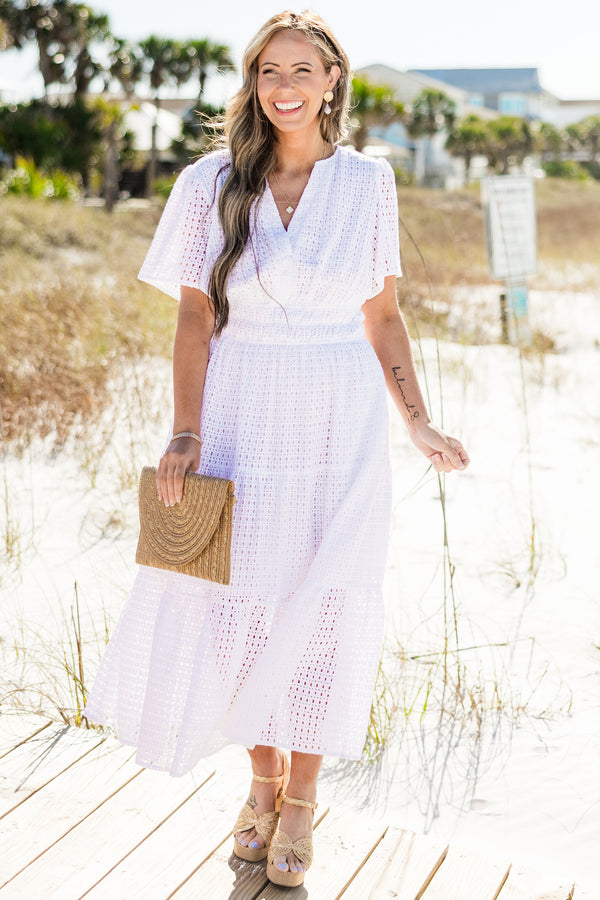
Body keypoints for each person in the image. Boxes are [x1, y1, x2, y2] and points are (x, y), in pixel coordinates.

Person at [84, 9, 469, 888]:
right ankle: (260, 780)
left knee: (325, 606)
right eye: (268, 71)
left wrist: (417, 420)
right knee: (241, 607)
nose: (284, 87)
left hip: (341, 419)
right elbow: (194, 318)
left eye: (302, 70)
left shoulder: (368, 183)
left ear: (333, 80)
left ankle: (302, 797)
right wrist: (186, 428)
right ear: (253, 83)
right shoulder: (210, 182)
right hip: (241, 410)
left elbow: (383, 316)